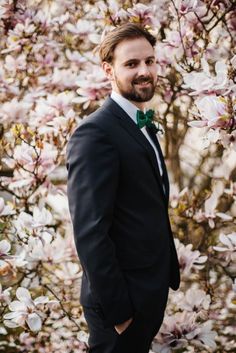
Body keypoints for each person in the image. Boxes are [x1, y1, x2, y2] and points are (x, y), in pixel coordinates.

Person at [66, 23, 180, 353]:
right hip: (120, 305)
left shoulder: (142, 123)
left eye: (150, 61)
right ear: (108, 70)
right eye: (131, 64)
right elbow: (90, 232)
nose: (144, 71)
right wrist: (120, 313)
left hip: (147, 294)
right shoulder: (95, 134)